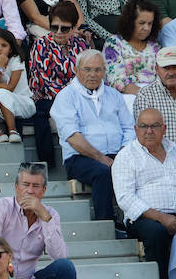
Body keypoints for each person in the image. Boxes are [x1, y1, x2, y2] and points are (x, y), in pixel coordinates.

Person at [112, 109, 176, 279]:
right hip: (146, 218)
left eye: (154, 126)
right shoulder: (126, 156)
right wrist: (162, 218)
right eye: (143, 126)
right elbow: (125, 198)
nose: (149, 131)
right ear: (135, 129)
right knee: (157, 232)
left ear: (164, 128)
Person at [53, 50, 132, 223]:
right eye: (87, 69)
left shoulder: (114, 95)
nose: (93, 74)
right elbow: (72, 137)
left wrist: (123, 154)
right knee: (103, 172)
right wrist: (102, 158)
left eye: (97, 70)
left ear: (104, 71)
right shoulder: (66, 97)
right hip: (80, 158)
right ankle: (106, 223)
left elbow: (129, 129)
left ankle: (135, 222)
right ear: (77, 70)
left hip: (117, 155)